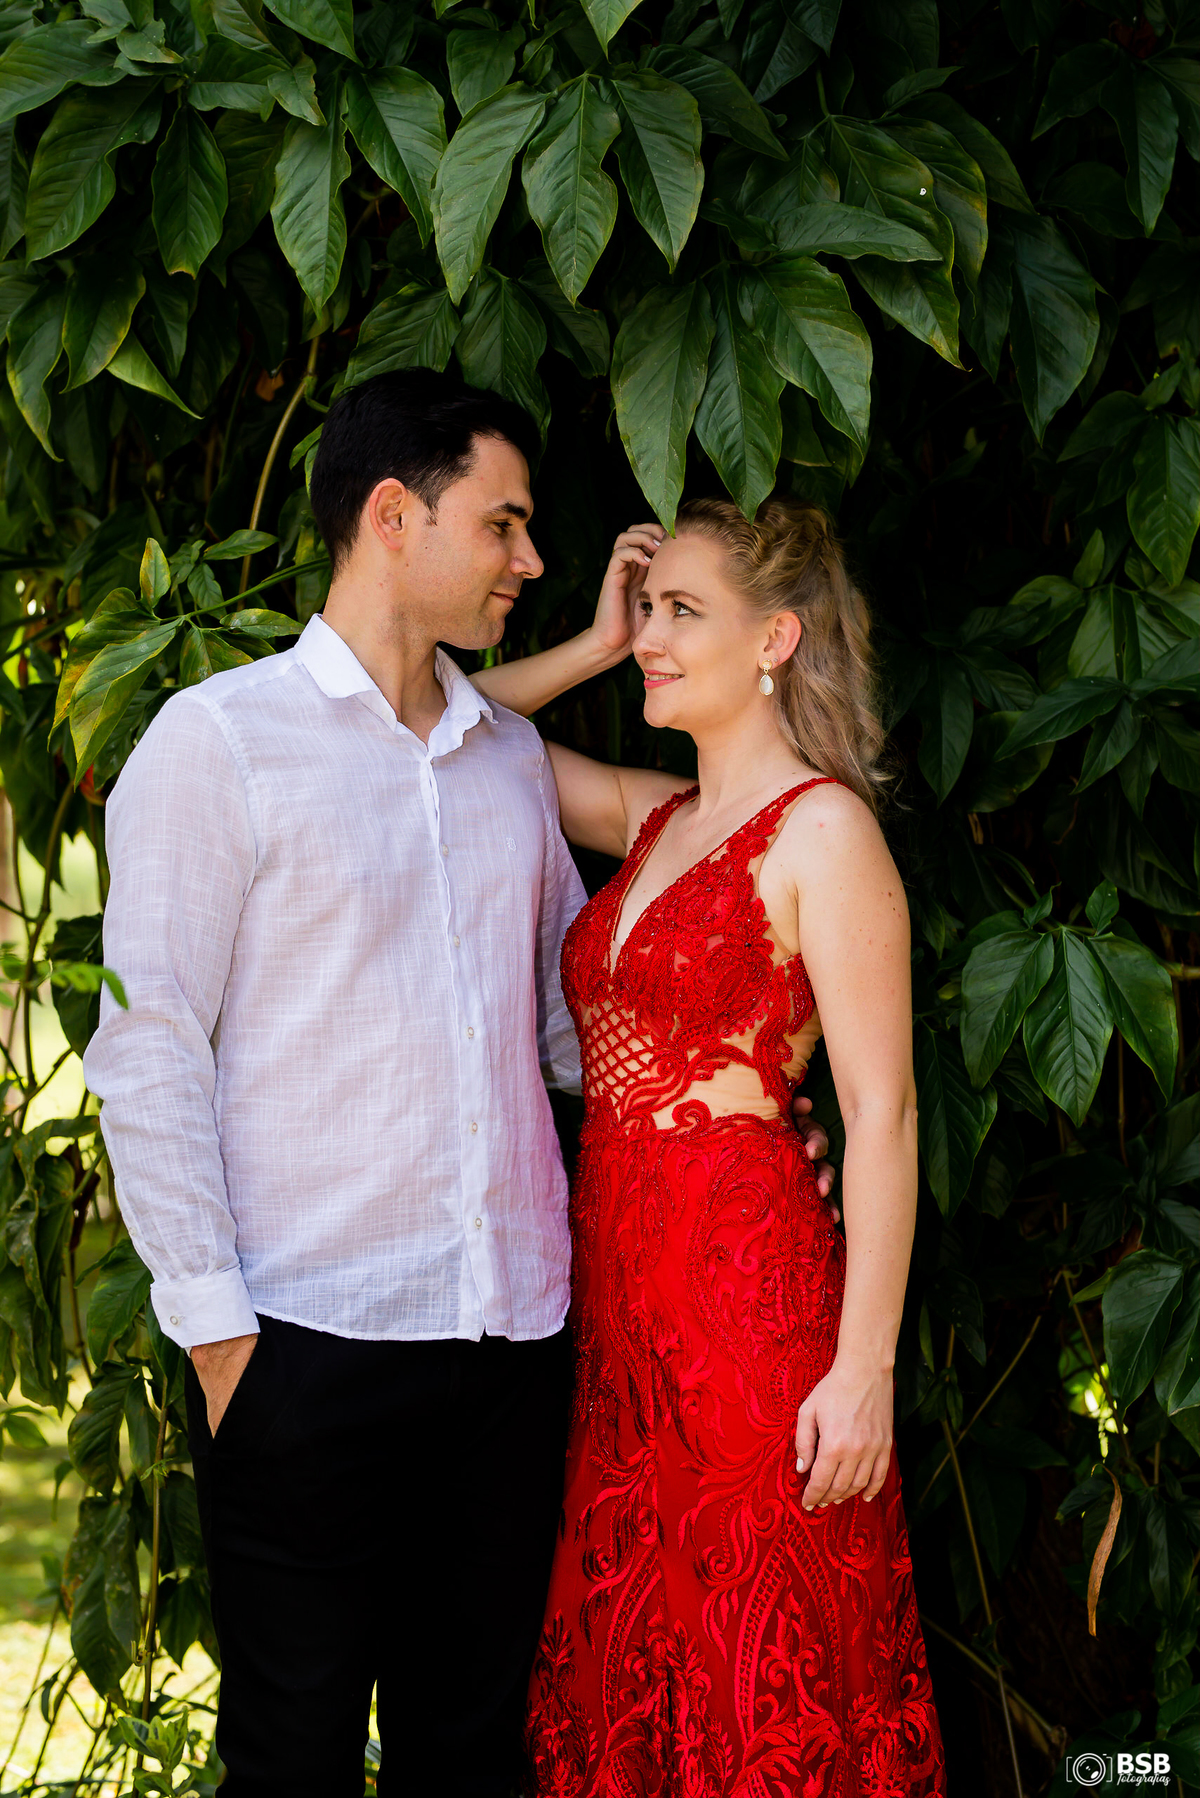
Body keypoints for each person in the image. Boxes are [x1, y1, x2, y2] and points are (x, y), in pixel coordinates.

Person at [82, 371, 834, 1798]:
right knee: (292, 1765)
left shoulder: (505, 770)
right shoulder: (219, 742)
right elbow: (149, 1048)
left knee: (476, 1760)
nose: (532, 560)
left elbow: (554, 1028)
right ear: (392, 516)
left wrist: (732, 1110)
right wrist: (221, 1339)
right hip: (304, 1344)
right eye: (503, 525)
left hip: (511, 1351)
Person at [472, 497, 948, 1795]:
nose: (651, 639)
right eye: (648, 610)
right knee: (638, 1668)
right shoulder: (656, 816)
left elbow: (885, 1113)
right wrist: (590, 641)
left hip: (751, 1327)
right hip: (619, 1329)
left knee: (757, 1675)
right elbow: (448, 727)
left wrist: (863, 1369)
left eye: (682, 611)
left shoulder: (825, 832)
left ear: (775, 638)